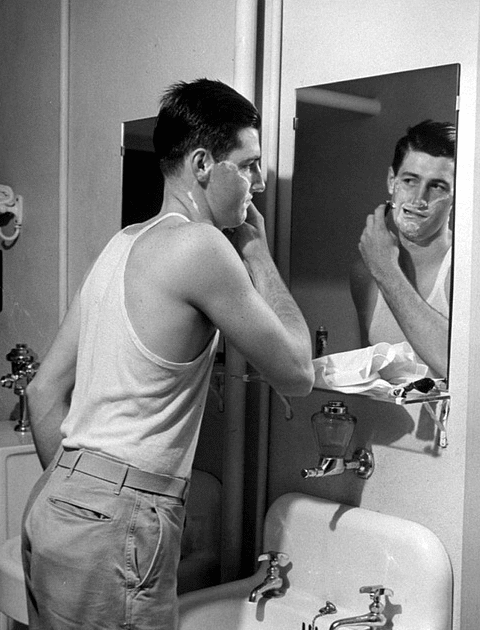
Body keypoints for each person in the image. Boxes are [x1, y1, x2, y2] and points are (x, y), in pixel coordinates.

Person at [22, 78, 315, 630]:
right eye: (248, 164)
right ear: (204, 164)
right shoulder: (202, 247)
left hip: (54, 507)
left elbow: (42, 393)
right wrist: (257, 253)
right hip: (119, 519)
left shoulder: (123, 242)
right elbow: (297, 372)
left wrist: (80, 498)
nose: (259, 182)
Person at [350, 120, 455, 379]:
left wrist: (386, 269)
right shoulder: (364, 272)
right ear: (391, 181)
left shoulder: (464, 270)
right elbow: (372, 377)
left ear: (458, 194)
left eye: (437, 186)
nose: (419, 199)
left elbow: (460, 369)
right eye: (410, 180)